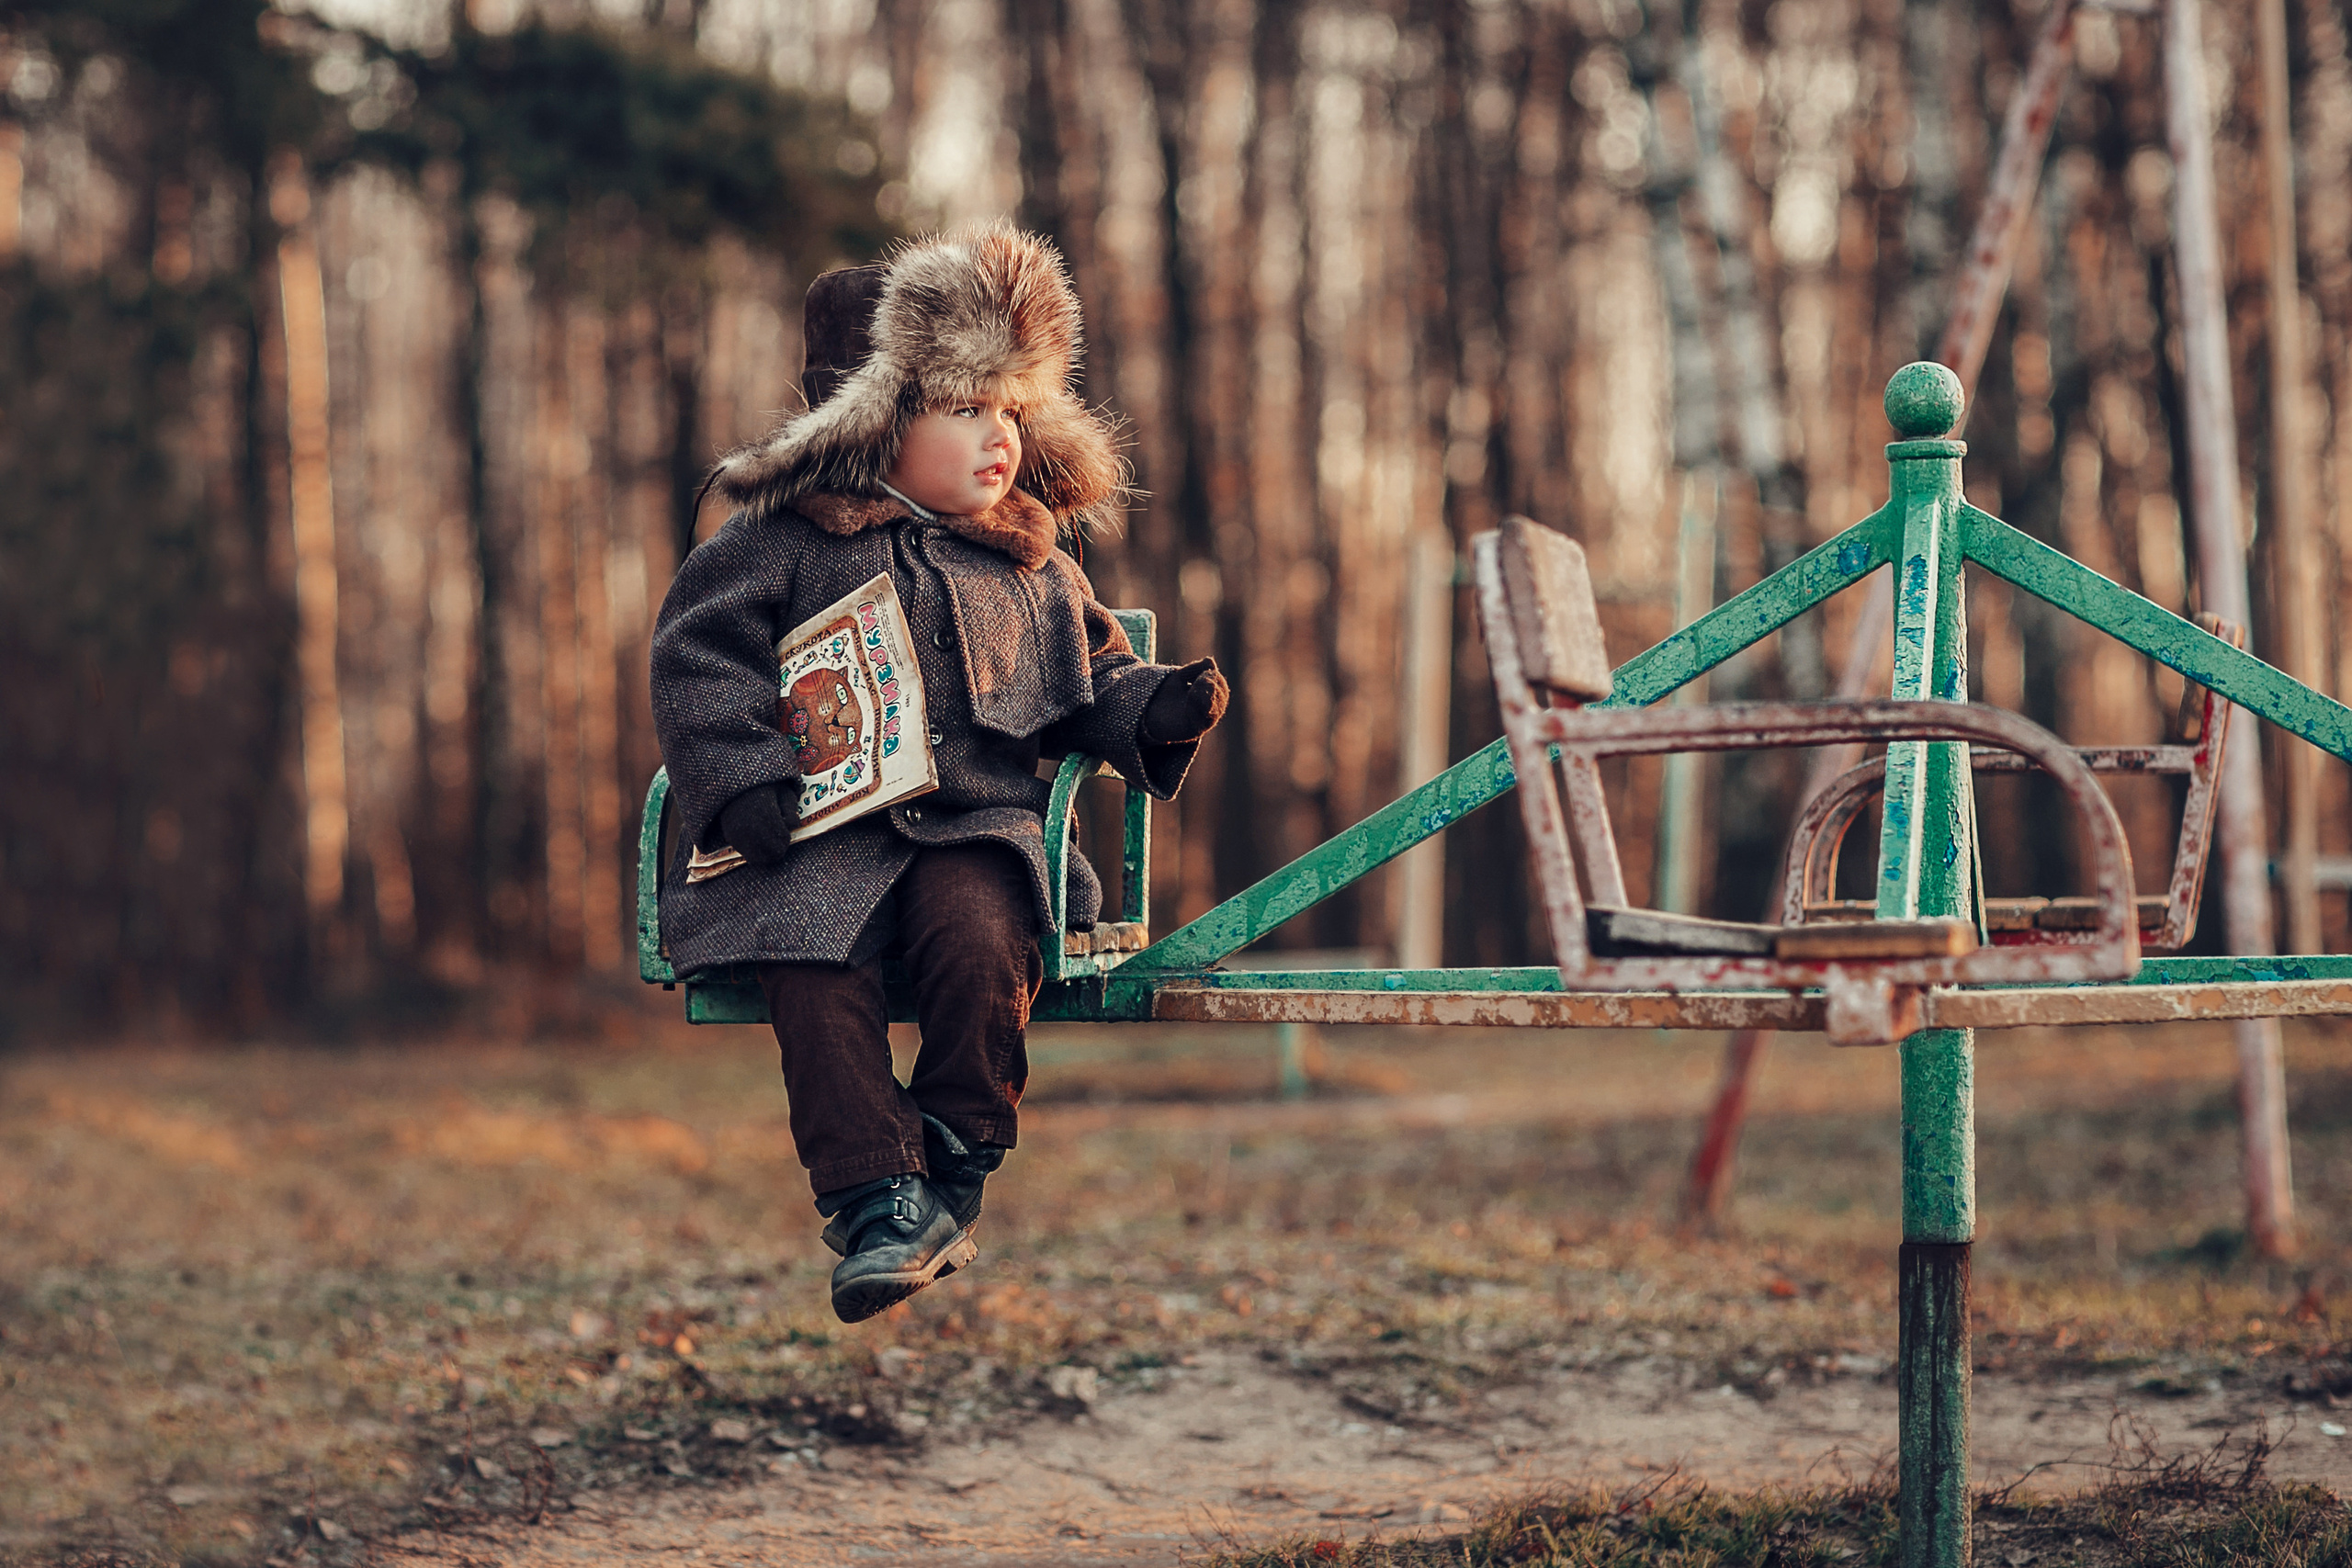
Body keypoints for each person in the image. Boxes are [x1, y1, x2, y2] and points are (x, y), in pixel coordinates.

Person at [650, 222, 1227, 1324]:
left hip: (975, 831)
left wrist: (1151, 706)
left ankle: (956, 1147)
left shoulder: (1028, 559)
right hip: (815, 840)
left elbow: (1091, 674)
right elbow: (698, 659)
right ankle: (875, 1192)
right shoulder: (781, 543)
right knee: (808, 964)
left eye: (1011, 409)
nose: (998, 435)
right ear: (871, 422)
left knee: (981, 939)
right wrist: (742, 775)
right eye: (963, 408)